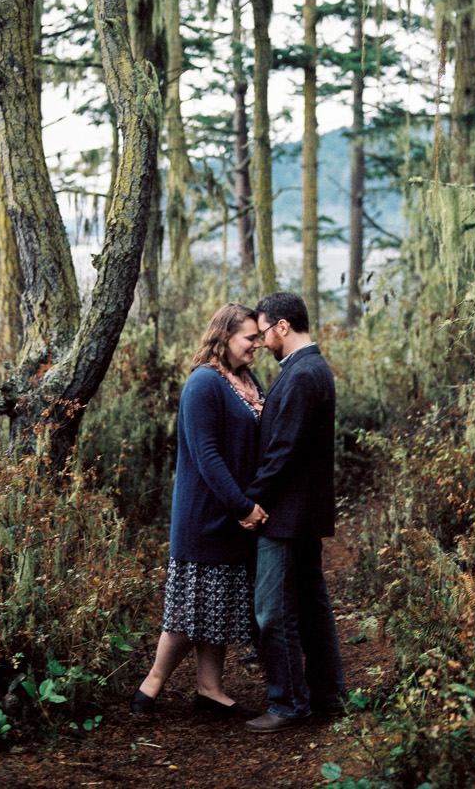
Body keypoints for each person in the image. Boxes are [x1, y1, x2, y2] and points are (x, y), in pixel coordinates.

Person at [132, 303, 269, 718]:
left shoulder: (245, 380)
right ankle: (150, 686)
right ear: (225, 336)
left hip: (231, 515)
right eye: (250, 337)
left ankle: (209, 689)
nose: (257, 345)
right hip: (205, 516)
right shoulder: (203, 385)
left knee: (220, 605)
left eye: (260, 337)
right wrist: (242, 505)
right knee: (191, 609)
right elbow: (207, 456)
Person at [240, 291, 346, 732]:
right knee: (311, 605)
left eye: (264, 332)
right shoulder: (307, 370)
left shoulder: (303, 374)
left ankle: (288, 704)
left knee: (273, 610)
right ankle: (327, 694)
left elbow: (285, 450)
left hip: (286, 515)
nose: (261, 342)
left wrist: (253, 501)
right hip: (302, 513)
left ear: (283, 326)